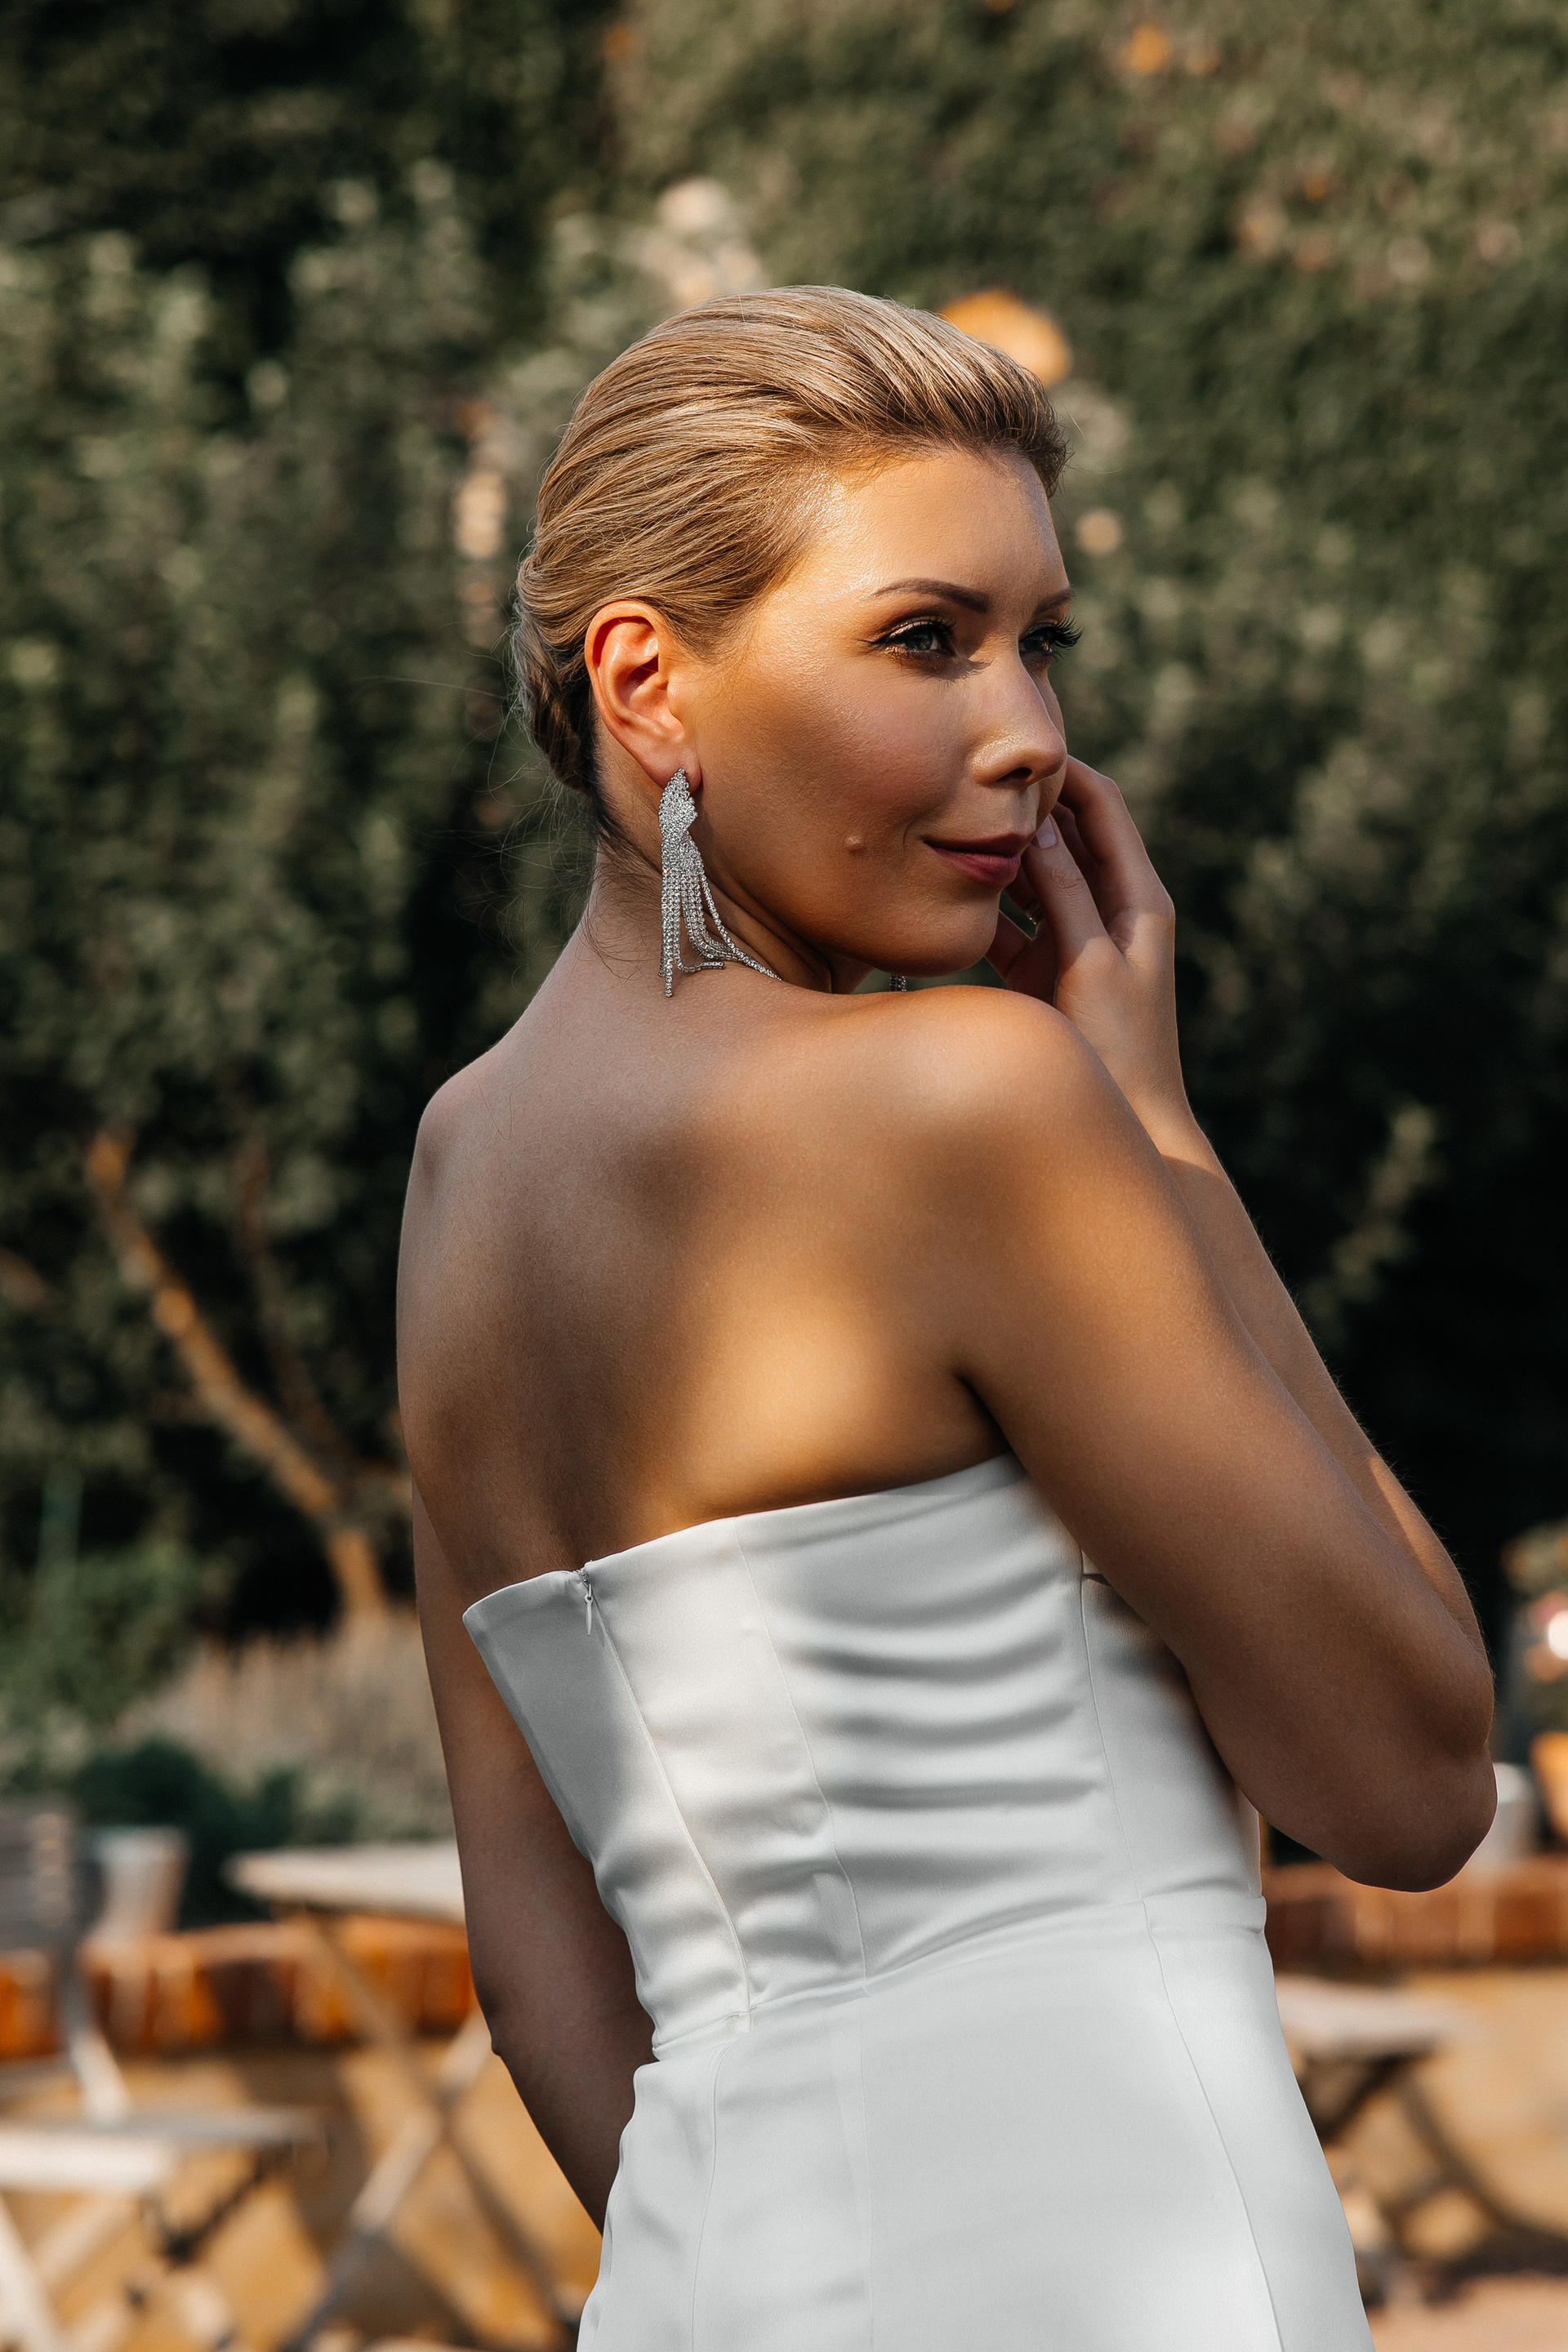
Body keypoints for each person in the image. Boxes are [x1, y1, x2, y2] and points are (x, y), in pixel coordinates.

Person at [398, 287, 1494, 2350]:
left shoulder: (462, 1172)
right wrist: (1161, 1138)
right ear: (648, 682)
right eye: (926, 639)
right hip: (1127, 2265)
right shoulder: (965, 1101)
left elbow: (543, 1979)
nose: (1031, 734)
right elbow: (1416, 1783)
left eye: (1041, 641)